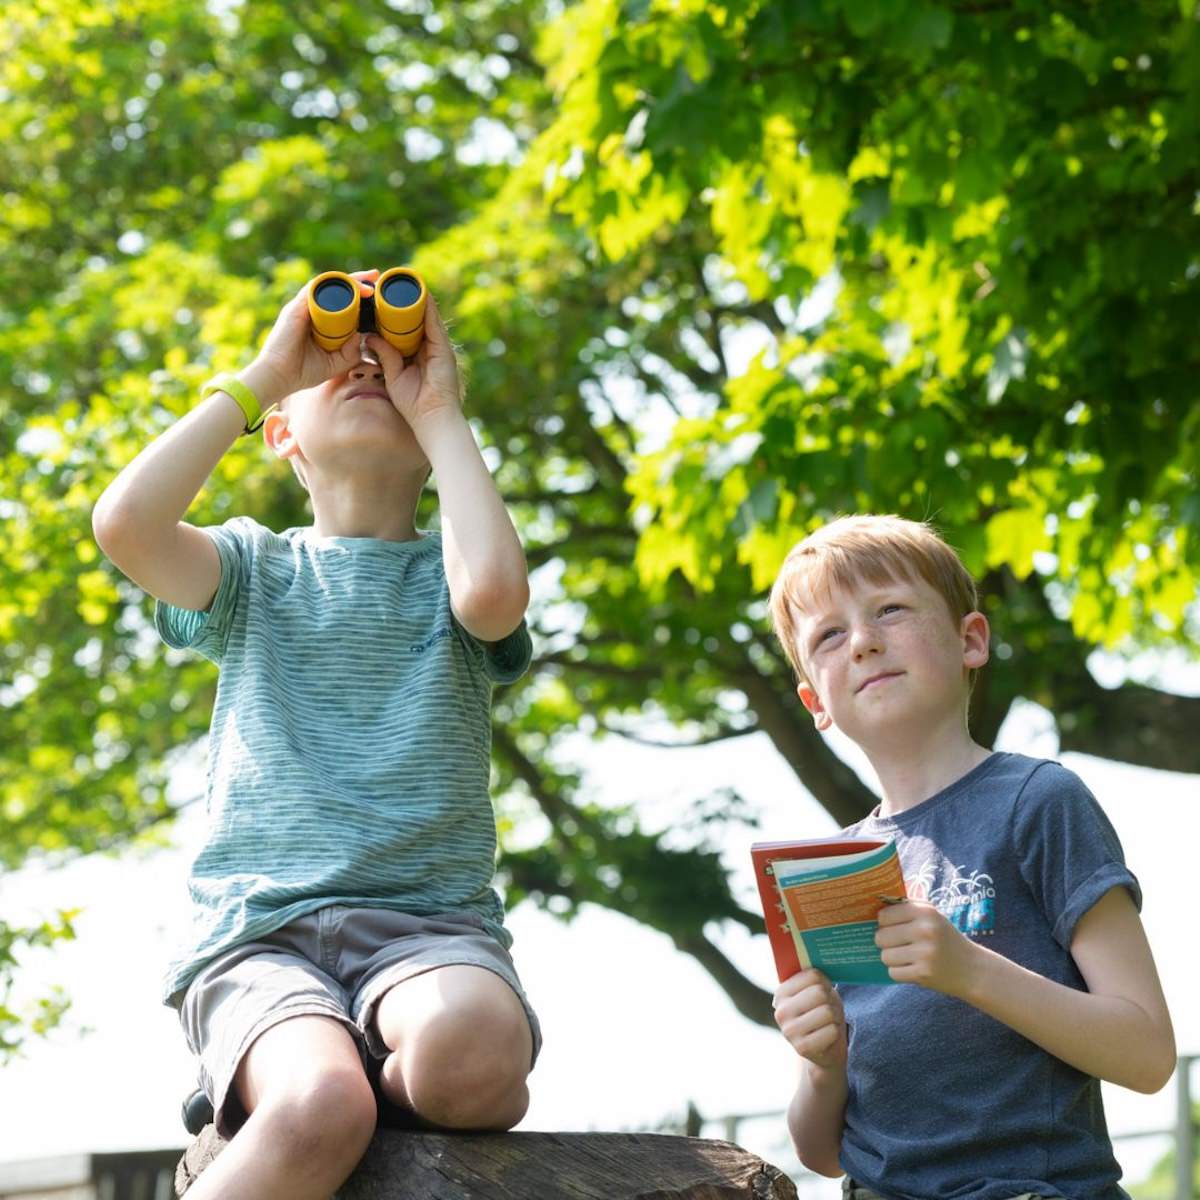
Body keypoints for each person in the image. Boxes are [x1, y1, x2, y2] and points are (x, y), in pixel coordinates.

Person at [92, 269, 539, 1200]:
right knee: (319, 1104)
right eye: (337, 360)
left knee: (476, 1054)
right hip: (264, 938)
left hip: (430, 933)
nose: (368, 363)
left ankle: (365, 1074)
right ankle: (330, 1078)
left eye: (392, 357)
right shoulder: (251, 571)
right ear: (281, 434)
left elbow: (497, 595)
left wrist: (439, 406)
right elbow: (126, 524)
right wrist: (265, 374)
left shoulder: (456, 578)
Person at [766, 514, 1175, 1200]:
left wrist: (968, 970)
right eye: (829, 635)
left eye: (890, 610)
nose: (863, 642)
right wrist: (822, 1063)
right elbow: (822, 1153)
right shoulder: (826, 872)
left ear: (971, 640)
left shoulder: (1039, 801)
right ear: (815, 702)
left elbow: (1146, 1053)